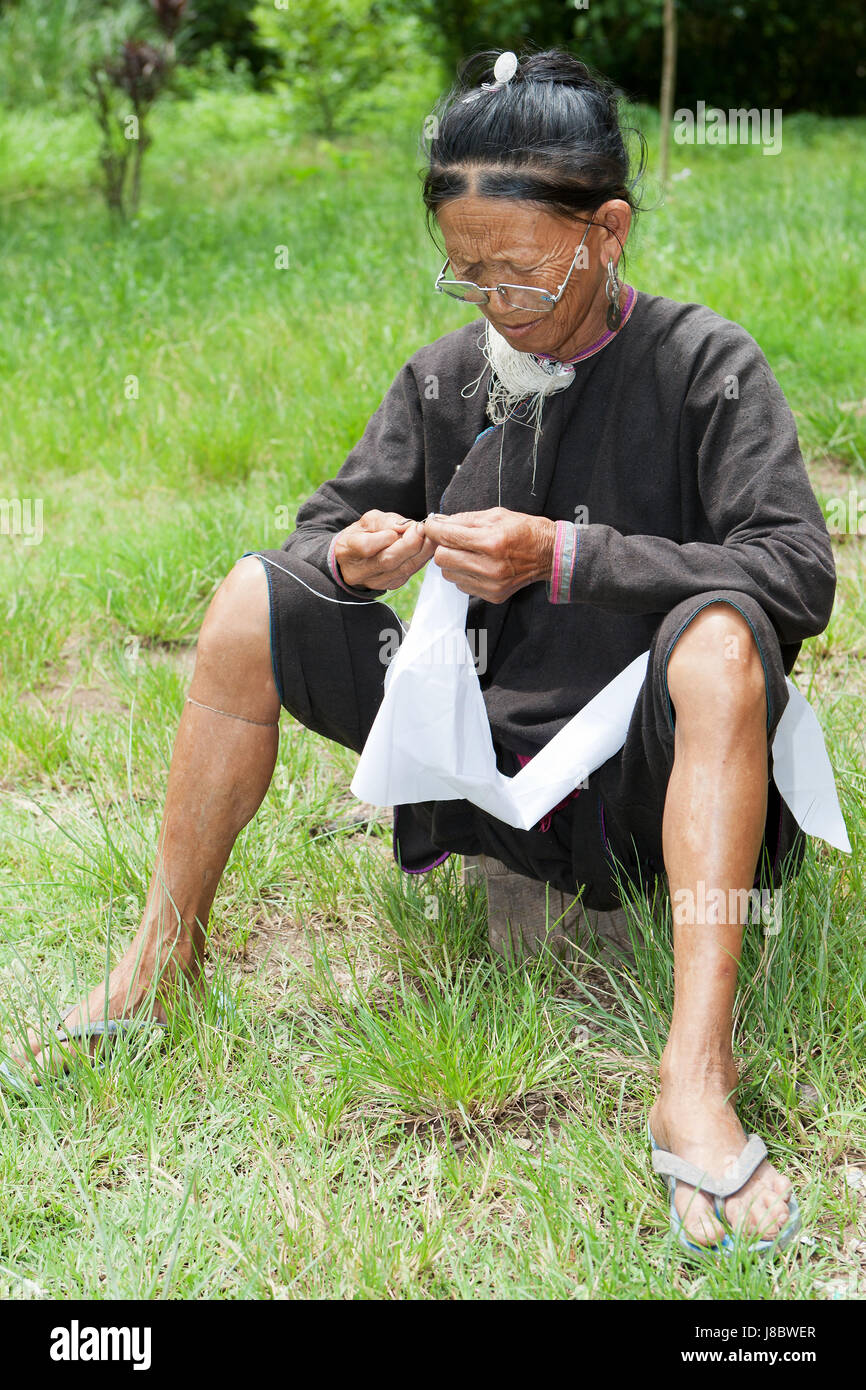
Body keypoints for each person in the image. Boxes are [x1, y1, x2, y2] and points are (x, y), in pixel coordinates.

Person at [4, 50, 837, 1255]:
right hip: (483, 774)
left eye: (522, 270)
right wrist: (354, 557)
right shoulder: (450, 378)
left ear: (607, 230)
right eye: (467, 273)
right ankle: (155, 966)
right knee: (251, 596)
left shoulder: (703, 366)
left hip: (652, 787)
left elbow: (794, 570)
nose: (494, 303)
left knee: (717, 639)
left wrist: (566, 556)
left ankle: (693, 1073)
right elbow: (315, 530)